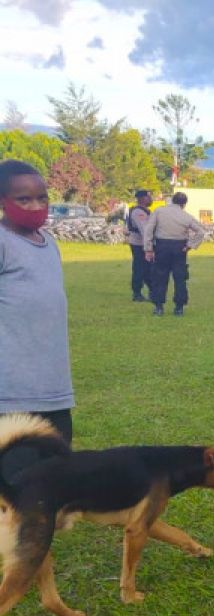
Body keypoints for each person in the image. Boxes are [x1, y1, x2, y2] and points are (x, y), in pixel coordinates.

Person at [0, 159, 75, 443]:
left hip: (53, 390)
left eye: (41, 198)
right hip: (10, 396)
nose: (35, 206)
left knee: (56, 474)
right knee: (18, 481)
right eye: (24, 199)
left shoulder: (48, 242)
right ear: (3, 201)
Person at [143, 192, 204, 317]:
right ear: (184, 204)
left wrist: (148, 248)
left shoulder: (159, 211)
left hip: (162, 246)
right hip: (179, 248)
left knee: (159, 277)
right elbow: (200, 232)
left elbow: (149, 229)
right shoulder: (186, 216)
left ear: (172, 200)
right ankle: (179, 307)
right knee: (180, 278)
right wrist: (189, 246)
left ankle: (159, 307)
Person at [126, 189, 153, 302]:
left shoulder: (145, 211)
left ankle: (152, 290)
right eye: (148, 196)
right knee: (139, 268)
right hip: (139, 244)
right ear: (142, 198)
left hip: (144, 243)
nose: (151, 199)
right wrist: (149, 245)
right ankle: (136, 293)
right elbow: (144, 230)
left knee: (148, 268)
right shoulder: (138, 212)